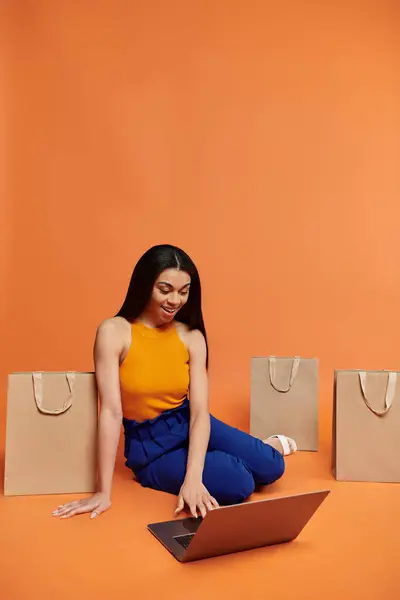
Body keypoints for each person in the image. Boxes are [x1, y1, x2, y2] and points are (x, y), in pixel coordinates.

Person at [53, 244, 296, 521]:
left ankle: (261, 450)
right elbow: (110, 411)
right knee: (240, 483)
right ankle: (238, 454)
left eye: (184, 291)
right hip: (150, 449)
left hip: (186, 422)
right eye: (165, 290)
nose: (175, 300)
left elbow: (199, 413)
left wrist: (193, 478)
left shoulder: (191, 336)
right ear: (145, 285)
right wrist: (102, 492)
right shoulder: (113, 332)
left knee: (273, 466)